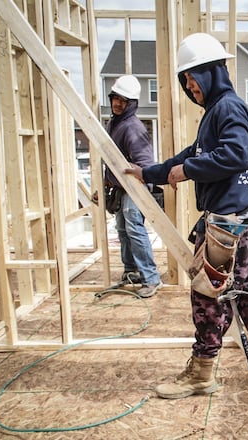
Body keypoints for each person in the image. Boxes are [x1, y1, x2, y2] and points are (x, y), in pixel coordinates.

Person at [125, 32, 248, 399]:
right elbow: (187, 156)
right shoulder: (218, 112)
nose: (189, 85)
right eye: (185, 81)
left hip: (227, 226)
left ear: (211, 72)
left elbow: (235, 156)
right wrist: (149, 173)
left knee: (208, 298)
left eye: (192, 77)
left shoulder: (227, 107)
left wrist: (187, 170)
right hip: (242, 221)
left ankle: (201, 374)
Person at [105, 75, 162, 298]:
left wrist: (134, 171)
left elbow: (146, 164)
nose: (118, 104)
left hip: (135, 187)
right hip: (120, 187)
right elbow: (110, 160)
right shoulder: (113, 124)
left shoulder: (132, 127)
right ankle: (132, 271)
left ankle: (151, 277)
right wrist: (106, 184)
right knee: (122, 229)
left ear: (132, 103)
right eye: (116, 98)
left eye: (124, 100)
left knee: (134, 229)